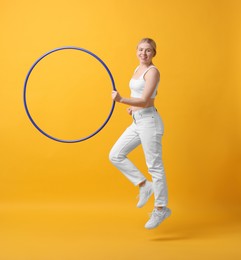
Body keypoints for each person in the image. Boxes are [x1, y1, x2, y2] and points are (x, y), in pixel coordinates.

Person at [109, 38, 171, 229]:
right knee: (115, 155)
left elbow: (145, 100)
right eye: (141, 50)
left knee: (155, 166)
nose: (144, 53)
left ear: (154, 53)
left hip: (150, 123)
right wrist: (132, 109)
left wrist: (121, 100)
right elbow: (141, 100)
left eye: (148, 51)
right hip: (138, 121)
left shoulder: (153, 72)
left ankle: (161, 208)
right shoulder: (137, 70)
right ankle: (145, 185)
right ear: (136, 51)